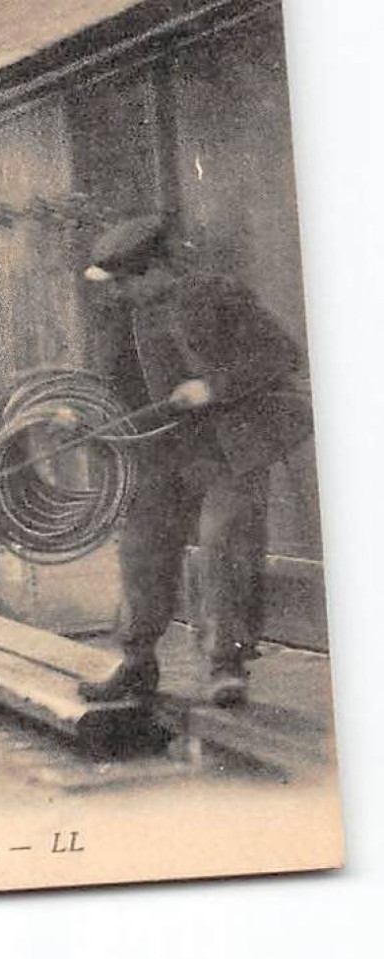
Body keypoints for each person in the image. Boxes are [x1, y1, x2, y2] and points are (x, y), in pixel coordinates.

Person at [75, 215, 313, 707]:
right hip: (166, 452)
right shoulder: (122, 317)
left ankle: (227, 666)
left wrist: (213, 387)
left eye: (128, 281)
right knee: (141, 545)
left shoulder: (219, 294)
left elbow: (283, 355)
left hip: (233, 447)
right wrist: (77, 418)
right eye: (117, 284)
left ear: (155, 269)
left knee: (223, 542)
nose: (121, 292)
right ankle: (138, 662)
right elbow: (112, 388)